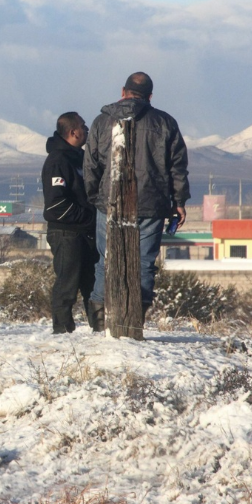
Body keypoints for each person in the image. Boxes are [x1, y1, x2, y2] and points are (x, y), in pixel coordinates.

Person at [83, 72, 190, 330]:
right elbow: (178, 166)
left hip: (108, 203)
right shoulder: (165, 123)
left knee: (105, 260)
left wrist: (96, 197)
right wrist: (178, 201)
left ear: (123, 92)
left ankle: (100, 324)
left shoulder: (101, 122)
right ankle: (133, 323)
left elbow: (91, 165)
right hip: (151, 205)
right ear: (150, 96)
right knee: (143, 263)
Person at [42, 112, 98, 334]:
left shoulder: (80, 158)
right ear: (74, 132)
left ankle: (100, 330)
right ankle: (62, 332)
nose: (86, 130)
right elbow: (56, 205)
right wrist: (89, 218)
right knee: (67, 285)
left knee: (92, 286)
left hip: (85, 233)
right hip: (66, 233)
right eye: (84, 126)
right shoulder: (58, 161)